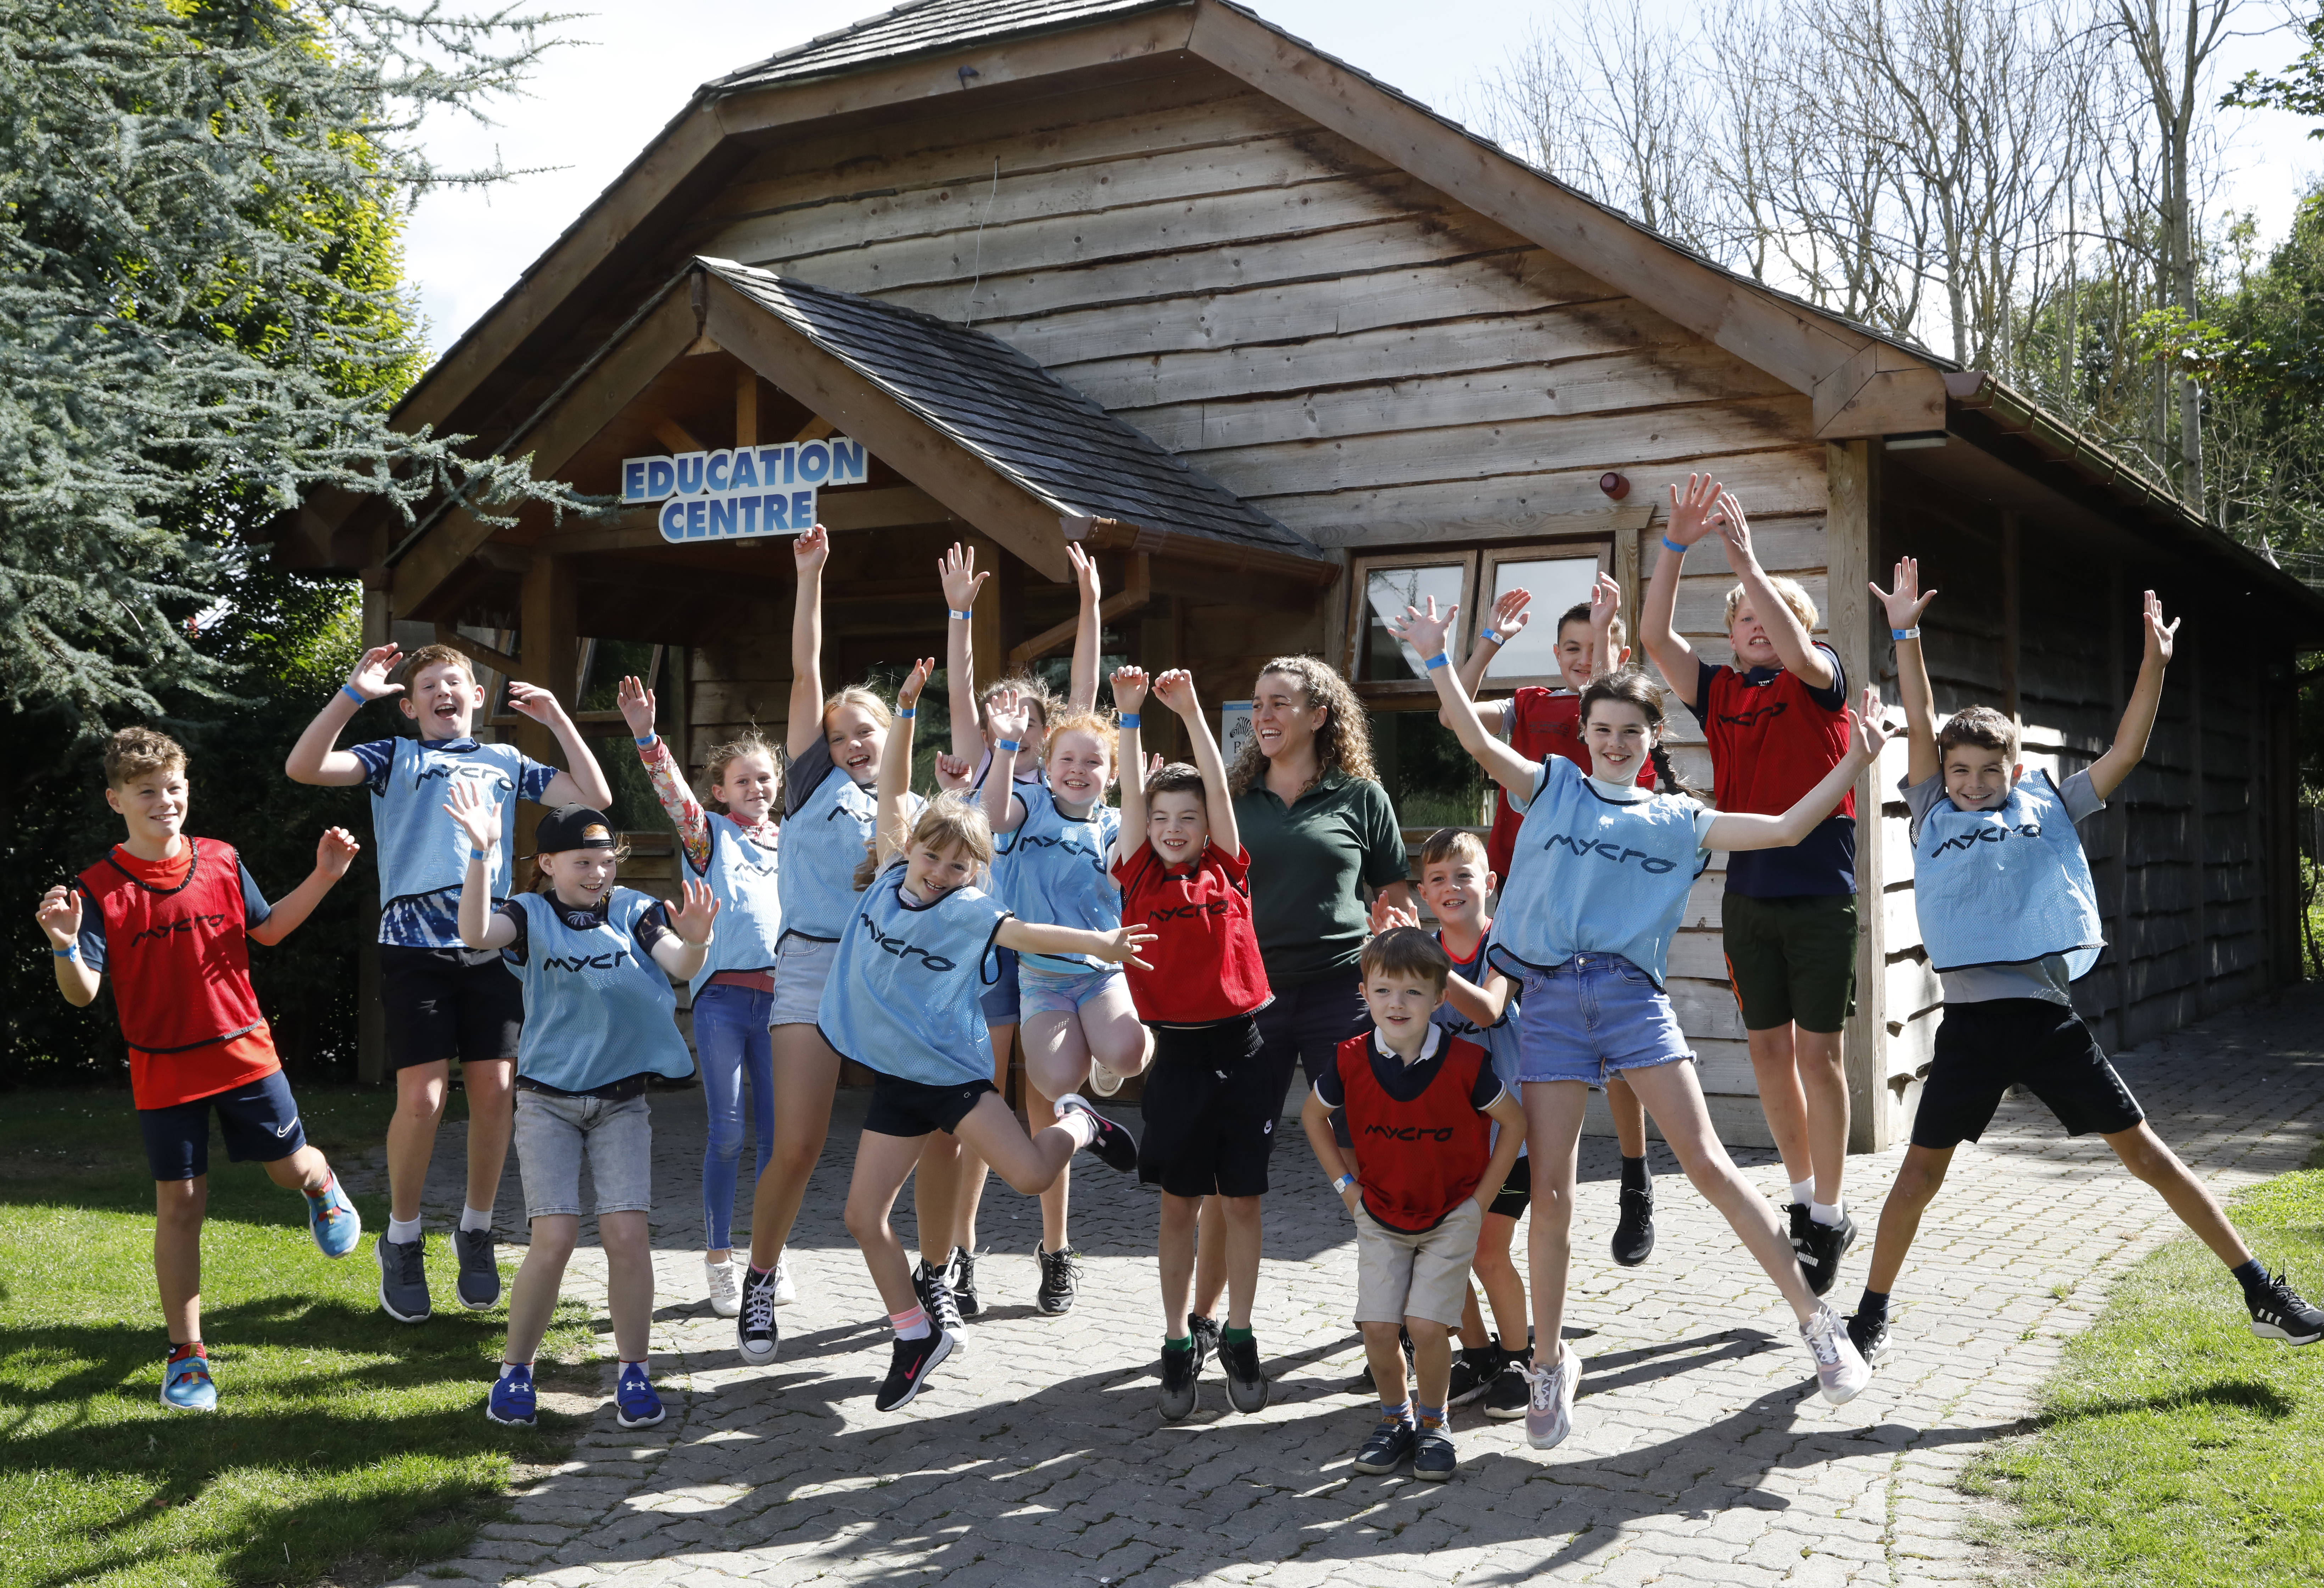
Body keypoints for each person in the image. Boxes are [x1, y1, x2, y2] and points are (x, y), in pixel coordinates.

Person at [1395, 594, 1876, 1450]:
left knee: (1708, 1162)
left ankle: (1818, 1323)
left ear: (1655, 741)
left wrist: (1856, 762)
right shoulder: (1548, 786)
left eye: (1631, 731)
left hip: (1629, 1001)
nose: (1615, 742)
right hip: (1546, 1007)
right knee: (1549, 1194)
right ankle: (1546, 1362)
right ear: (1582, 734)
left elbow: (1788, 824)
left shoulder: (1676, 820)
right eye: (1603, 728)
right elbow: (1469, 736)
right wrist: (1440, 657)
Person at [1846, 567, 2324, 1363]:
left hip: (2045, 1021)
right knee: (1917, 1177)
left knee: (2145, 1154)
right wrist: (1905, 632)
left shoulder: (2049, 805)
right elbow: (1921, 715)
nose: (1970, 783)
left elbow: (2126, 750)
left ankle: (2259, 1290)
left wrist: (2154, 665)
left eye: (1987, 770)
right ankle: (1867, 1316)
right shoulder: (1928, 806)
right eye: (1958, 769)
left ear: (2014, 768)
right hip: (1970, 1028)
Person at [821, 658, 1147, 1412]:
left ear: (976, 872)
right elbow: (896, 783)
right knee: (859, 1216)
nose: (939, 871)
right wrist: (904, 707)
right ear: (910, 848)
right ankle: (915, 1331)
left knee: (1032, 1173)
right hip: (897, 1077)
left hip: (952, 1075)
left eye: (959, 865)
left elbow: (1034, 929)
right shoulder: (887, 874)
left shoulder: (971, 911)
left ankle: (1078, 1120)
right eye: (932, 856)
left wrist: (1102, 948)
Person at [36, 728, 365, 1410]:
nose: (166, 801)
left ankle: (322, 1183)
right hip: (162, 1070)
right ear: (116, 800)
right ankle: (187, 1356)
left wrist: (327, 875)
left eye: (175, 788)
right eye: (148, 792)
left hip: (244, 1051)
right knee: (180, 1207)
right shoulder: (97, 889)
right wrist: (67, 947)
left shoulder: (219, 859)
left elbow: (268, 930)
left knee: (288, 1169)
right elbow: (84, 992)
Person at [285, 641, 611, 1324]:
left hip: (487, 949)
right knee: (424, 1100)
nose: (443, 692)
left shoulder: (504, 761)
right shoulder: (393, 758)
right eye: (428, 685)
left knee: (495, 1094)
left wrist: (557, 719)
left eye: (454, 682)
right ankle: (402, 1239)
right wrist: (352, 693)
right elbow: (305, 766)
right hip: (412, 952)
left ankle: (476, 1229)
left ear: (477, 698)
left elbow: (594, 798)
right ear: (410, 707)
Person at [1639, 475, 1861, 1295]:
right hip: (1748, 892)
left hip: (1818, 890)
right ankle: (1803, 1200)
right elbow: (1653, 636)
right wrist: (1673, 544)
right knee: (1767, 1050)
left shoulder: (1821, 675)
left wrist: (1746, 559)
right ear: (1732, 637)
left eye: (1768, 616)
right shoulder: (1720, 690)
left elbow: (1799, 646)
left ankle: (1832, 1210)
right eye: (1742, 618)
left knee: (1818, 1054)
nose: (1756, 627)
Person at [446, 794, 714, 1429]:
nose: (598, 874)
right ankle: (515, 1374)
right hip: (547, 1104)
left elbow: (679, 961)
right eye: (582, 863)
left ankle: (634, 1374)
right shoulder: (530, 912)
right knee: (556, 1238)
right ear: (548, 863)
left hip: (623, 1104)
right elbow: (476, 933)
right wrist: (482, 851)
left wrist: (698, 942)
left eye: (605, 862)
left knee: (627, 1236)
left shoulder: (634, 911)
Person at [737, 524, 930, 1365]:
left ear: (892, 735)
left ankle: (941, 1272)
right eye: (841, 732)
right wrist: (809, 577)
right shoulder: (811, 784)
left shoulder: (914, 811)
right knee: (799, 1143)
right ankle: (759, 1277)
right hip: (811, 965)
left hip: (887, 978)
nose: (855, 742)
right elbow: (805, 670)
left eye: (868, 730)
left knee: (934, 1124)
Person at [1189, 656, 1412, 1375]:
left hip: (1339, 997)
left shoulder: (1360, 795)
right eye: (1257, 703)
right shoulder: (1233, 794)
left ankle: (1397, 1313)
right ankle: (1204, 1321)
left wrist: (1397, 932)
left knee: (1367, 1150)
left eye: (1279, 702)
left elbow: (1392, 893)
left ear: (1319, 715)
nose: (1263, 715)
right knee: (1234, 1170)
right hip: (1248, 998)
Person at [1447, 577, 1661, 1268]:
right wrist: (1484, 645)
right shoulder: (1532, 705)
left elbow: (1608, 694)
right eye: (1568, 645)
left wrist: (1605, 630)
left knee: (1622, 1051)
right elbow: (1456, 718)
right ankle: (1512, 1176)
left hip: (1603, 905)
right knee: (1512, 1027)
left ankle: (1633, 1173)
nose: (1579, 656)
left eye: (1592, 644)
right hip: (1528, 895)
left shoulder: (1623, 731)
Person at [931, 539, 1101, 1320]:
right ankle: (959, 1256)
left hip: (1052, 956)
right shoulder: (985, 769)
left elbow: (1088, 693)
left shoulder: (1064, 777)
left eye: (1030, 720)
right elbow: (963, 697)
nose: (1018, 729)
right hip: (983, 954)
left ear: (1048, 728)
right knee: (975, 1106)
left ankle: (1055, 1248)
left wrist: (1090, 606)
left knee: (1046, 1104)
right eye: (1008, 720)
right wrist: (960, 614)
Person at [1302, 928, 1527, 1482]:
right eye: (1383, 991)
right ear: (1365, 993)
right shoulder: (1349, 1058)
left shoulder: (1468, 1063)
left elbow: (1515, 1123)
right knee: (1378, 1330)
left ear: (1439, 998)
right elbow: (1313, 1118)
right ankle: (1395, 1418)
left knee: (1426, 1328)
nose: (1396, 1004)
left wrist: (1479, 1202)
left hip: (1451, 1218)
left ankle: (1435, 1425)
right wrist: (1347, 1189)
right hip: (1378, 1215)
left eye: (1412, 992)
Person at [1110, 666, 1275, 1420]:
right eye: (1162, 815)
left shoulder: (1227, 869)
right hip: (1174, 1057)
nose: (1176, 826)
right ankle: (1177, 1339)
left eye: (1189, 815)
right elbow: (1129, 794)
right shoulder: (1137, 869)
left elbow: (1216, 780)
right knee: (1180, 1205)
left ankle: (1237, 1331)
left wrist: (1193, 714)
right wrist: (1130, 717)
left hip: (1243, 1048)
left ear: (1207, 823)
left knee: (1240, 1201)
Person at [981, 680, 1151, 1316]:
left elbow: (1134, 841)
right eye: (1067, 761)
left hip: (1102, 974)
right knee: (1054, 1086)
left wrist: (1129, 726)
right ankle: (1088, 1106)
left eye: (1092, 762)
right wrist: (1002, 748)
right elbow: (993, 816)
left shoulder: (1112, 823)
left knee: (1130, 1054)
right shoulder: (1028, 810)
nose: (1078, 771)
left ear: (1108, 775)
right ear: (1047, 768)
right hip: (1043, 979)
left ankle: (1110, 1061)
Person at [616, 676, 783, 1319]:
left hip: (782, 1005)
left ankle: (770, 1254)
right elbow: (675, 801)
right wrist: (646, 737)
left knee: (778, 1138)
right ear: (721, 792)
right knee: (729, 1134)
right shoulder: (708, 835)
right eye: (743, 781)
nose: (757, 790)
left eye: (765, 779)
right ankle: (719, 1260)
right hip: (721, 1003)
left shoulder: (793, 840)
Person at [1407, 829, 1533, 1423]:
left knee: (1487, 1254)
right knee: (1443, 1253)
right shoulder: (1422, 951)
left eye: (1464, 875)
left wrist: (1423, 963)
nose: (1451, 887)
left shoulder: (1505, 945)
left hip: (1512, 1140)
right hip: (1445, 1144)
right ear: (1424, 894)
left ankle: (1520, 1359)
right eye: (1438, 879)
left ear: (1490, 884)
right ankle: (1478, 1356)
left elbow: (1488, 1010)